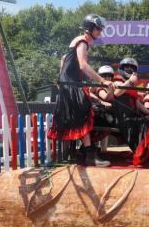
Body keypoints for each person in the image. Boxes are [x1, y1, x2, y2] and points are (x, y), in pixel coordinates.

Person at [47, 14, 113, 167]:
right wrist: (102, 81)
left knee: (83, 115)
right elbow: (83, 65)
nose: (100, 32)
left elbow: (64, 58)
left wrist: (61, 78)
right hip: (71, 85)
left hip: (69, 84)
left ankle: (86, 153)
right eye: (98, 29)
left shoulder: (80, 43)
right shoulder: (82, 42)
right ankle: (89, 155)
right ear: (90, 28)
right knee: (85, 113)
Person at [113, 58, 149, 170]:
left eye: (133, 68)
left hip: (132, 116)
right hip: (123, 117)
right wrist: (130, 81)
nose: (130, 69)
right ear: (122, 68)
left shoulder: (131, 85)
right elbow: (117, 92)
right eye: (128, 67)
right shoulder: (118, 80)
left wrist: (148, 113)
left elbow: (137, 103)